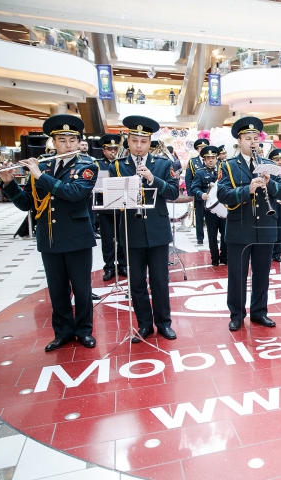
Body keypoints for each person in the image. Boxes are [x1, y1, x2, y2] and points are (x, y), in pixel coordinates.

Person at [0, 115, 98, 351]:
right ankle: (62, 332)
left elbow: (73, 193)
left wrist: (40, 176)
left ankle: (84, 331)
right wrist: (9, 183)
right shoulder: (41, 164)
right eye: (62, 140)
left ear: (78, 142)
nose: (68, 144)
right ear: (53, 142)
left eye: (72, 140)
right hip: (50, 238)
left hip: (77, 238)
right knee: (57, 289)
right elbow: (27, 204)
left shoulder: (87, 165)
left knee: (82, 289)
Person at [109, 115, 179, 343]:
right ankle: (144, 324)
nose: (139, 146)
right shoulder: (117, 166)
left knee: (160, 281)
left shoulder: (162, 164)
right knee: (136, 282)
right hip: (131, 231)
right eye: (135, 140)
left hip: (157, 231)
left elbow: (173, 193)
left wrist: (153, 179)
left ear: (151, 143)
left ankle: (164, 323)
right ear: (127, 141)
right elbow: (112, 201)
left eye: (144, 141)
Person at [216, 117, 281, 331]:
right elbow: (222, 194)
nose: (253, 142)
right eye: (248, 138)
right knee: (237, 275)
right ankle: (237, 314)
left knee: (262, 273)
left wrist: (270, 183)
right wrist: (246, 190)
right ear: (240, 141)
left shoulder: (270, 166)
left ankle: (259, 312)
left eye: (256, 138)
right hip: (240, 228)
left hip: (265, 227)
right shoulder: (229, 165)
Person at [95, 134, 127, 281]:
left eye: (115, 149)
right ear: (104, 150)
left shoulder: (122, 164)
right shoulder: (97, 164)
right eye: (109, 149)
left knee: (122, 237)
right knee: (108, 239)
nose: (113, 152)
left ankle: (122, 264)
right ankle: (108, 267)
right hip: (105, 206)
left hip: (121, 205)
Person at [190, 145, 226, 266]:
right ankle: (215, 258)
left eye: (213, 157)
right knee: (212, 233)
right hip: (209, 208)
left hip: (223, 206)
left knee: (225, 232)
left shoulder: (224, 170)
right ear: (204, 160)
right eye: (208, 158)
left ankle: (224, 256)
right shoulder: (200, 173)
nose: (211, 160)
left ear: (217, 158)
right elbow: (194, 187)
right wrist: (201, 194)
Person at [186, 138, 209, 245]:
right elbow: (188, 178)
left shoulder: (211, 159)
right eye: (201, 148)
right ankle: (200, 237)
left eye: (204, 147)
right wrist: (191, 194)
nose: (202, 149)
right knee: (199, 216)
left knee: (212, 215)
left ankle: (212, 235)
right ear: (197, 149)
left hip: (211, 193)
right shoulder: (192, 161)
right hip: (198, 192)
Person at [268, 149, 281, 263]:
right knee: (272, 232)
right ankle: (270, 253)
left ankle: (277, 254)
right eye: (277, 160)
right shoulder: (269, 174)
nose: (280, 162)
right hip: (272, 206)